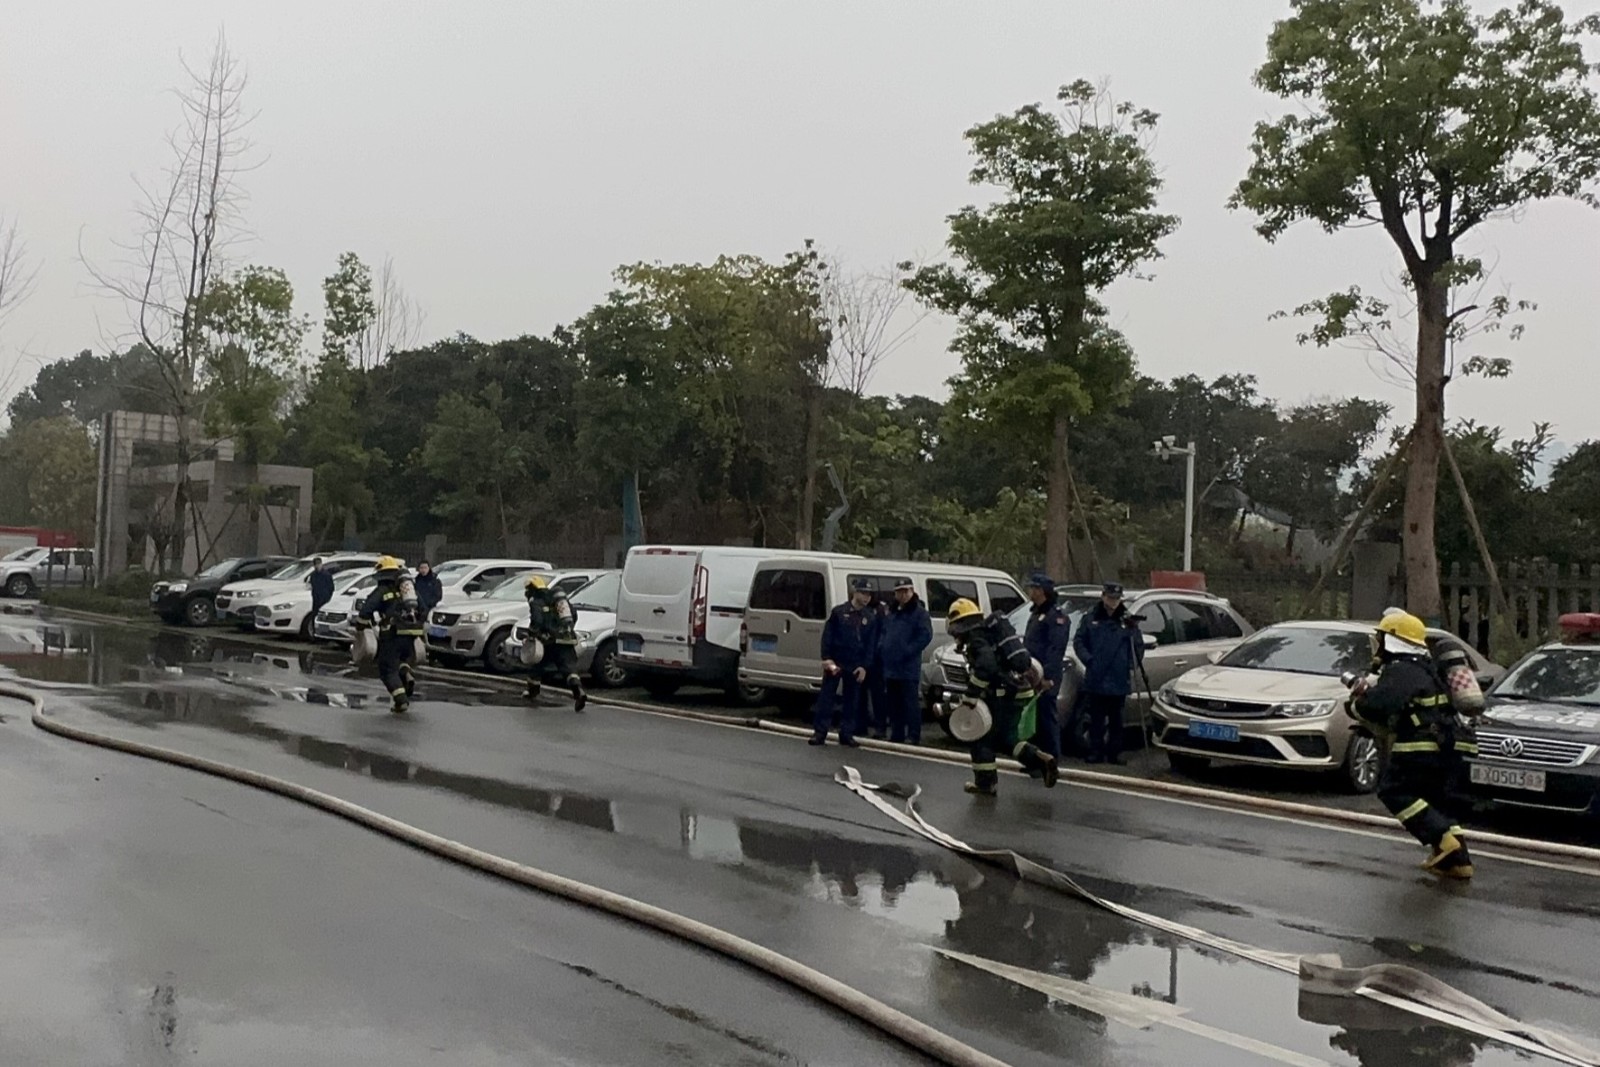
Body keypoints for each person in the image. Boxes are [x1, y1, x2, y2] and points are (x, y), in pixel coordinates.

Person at [1349, 611, 1477, 879]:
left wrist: (1358, 702)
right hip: (1451, 746)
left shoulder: (1402, 669)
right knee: (1435, 801)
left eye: (1381, 639)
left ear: (1392, 640)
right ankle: (1458, 861)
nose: (1378, 645)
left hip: (1420, 745)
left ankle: (1442, 839)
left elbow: (1379, 706)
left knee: (1394, 791)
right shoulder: (1428, 667)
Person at [946, 598, 1058, 795]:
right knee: (1007, 739)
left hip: (999, 696)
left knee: (981, 739)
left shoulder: (976, 640)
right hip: (1015, 692)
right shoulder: (989, 634)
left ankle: (985, 784)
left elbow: (987, 666)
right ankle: (1040, 759)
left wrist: (971, 695)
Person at [1072, 582, 1143, 765]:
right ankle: (1096, 751)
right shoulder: (1091, 618)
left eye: (1117, 599)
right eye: (1110, 598)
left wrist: (1129, 664)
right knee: (1096, 719)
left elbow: (1138, 645)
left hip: (1118, 677)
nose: (1113, 602)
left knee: (1116, 720)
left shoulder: (1127, 620)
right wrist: (1089, 660)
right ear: (1103, 597)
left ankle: (1115, 753)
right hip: (1097, 676)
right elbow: (1079, 641)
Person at [811, 577, 879, 748]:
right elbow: (828, 636)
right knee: (827, 698)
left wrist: (864, 666)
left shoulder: (870, 618)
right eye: (863, 593)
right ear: (855, 593)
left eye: (869, 594)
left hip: (855, 663)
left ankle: (847, 733)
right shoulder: (839, 612)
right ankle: (820, 733)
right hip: (836, 660)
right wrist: (826, 658)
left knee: (852, 701)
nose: (866, 597)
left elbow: (870, 645)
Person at [352, 556, 424, 713]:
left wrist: (360, 627)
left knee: (387, 670)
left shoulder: (382, 590)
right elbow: (423, 608)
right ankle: (405, 672)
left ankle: (401, 701)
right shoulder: (407, 590)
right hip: (412, 633)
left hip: (392, 634)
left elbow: (366, 611)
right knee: (402, 659)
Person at [1023, 573, 1073, 761]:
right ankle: (1036, 758)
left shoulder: (1056, 616)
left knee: (1047, 716)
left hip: (1045, 675)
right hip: (1032, 672)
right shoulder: (1036, 613)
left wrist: (1048, 677)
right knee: (1034, 718)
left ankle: (1052, 757)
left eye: (1033, 588)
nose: (1030, 591)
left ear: (1041, 591)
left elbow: (1055, 649)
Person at [877, 577, 932, 744]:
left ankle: (913, 735)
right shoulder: (892, 613)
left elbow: (925, 636)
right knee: (893, 702)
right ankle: (897, 733)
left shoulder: (920, 613)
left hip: (908, 666)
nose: (903, 595)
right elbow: (885, 632)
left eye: (906, 591)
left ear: (912, 591)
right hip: (891, 666)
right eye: (899, 592)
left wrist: (908, 651)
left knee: (910, 703)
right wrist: (882, 647)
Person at [524, 574, 587, 712]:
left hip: (549, 640)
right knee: (569, 669)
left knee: (536, 665)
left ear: (532, 589)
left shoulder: (536, 601)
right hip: (566, 639)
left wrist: (532, 633)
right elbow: (574, 615)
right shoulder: (559, 600)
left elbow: (537, 620)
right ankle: (579, 692)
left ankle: (532, 691)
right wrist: (566, 629)